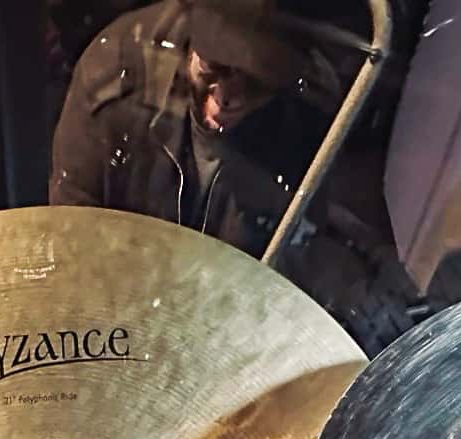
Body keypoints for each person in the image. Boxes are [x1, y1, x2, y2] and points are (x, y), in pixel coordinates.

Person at [49, 0, 412, 352]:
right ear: (194, 41)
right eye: (215, 69)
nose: (224, 97)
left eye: (253, 81)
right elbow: (73, 237)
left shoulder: (312, 114)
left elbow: (340, 237)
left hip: (232, 338)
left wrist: (355, 292)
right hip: (120, 329)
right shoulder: (116, 74)